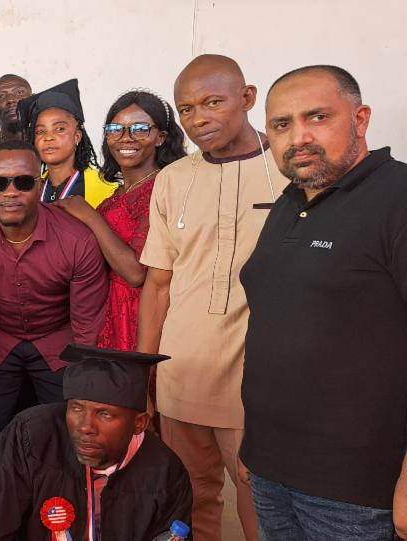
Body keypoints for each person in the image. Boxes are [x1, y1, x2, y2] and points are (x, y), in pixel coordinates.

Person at [241, 65, 405, 540]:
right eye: (282, 124)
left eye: (317, 116)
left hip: (356, 492)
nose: (300, 137)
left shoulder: (398, 197)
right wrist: (255, 443)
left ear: (360, 119)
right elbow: (274, 326)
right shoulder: (290, 203)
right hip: (271, 471)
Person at [137, 54, 288, 541]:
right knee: (192, 497)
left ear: (247, 98)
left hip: (259, 379)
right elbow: (158, 283)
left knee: (261, 500)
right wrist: (142, 373)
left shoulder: (289, 169)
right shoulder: (174, 179)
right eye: (185, 109)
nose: (198, 118)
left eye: (212, 102)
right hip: (182, 374)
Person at [0, 139, 108, 431]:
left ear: (40, 185)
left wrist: (87, 390)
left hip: (58, 343)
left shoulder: (77, 240)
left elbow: (87, 324)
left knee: (64, 432)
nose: (10, 193)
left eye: (23, 182)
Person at [0, 344, 192, 540]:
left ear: (139, 423)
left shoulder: (164, 471)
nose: (85, 426)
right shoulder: (32, 437)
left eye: (104, 414)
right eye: (76, 408)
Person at [54, 90, 187, 351]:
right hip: (110, 310)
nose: (126, 138)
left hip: (143, 314)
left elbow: (136, 273)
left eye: (139, 128)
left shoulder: (163, 188)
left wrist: (89, 216)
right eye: (116, 129)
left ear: (160, 137)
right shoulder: (117, 194)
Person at [17, 79, 115, 206]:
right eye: (40, 131)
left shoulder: (107, 189)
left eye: (60, 129)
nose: (48, 137)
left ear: (77, 136)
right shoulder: (30, 189)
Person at [0, 74, 32, 143]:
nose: (11, 100)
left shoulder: (50, 143)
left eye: (19, 92)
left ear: (34, 100)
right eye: (0, 96)